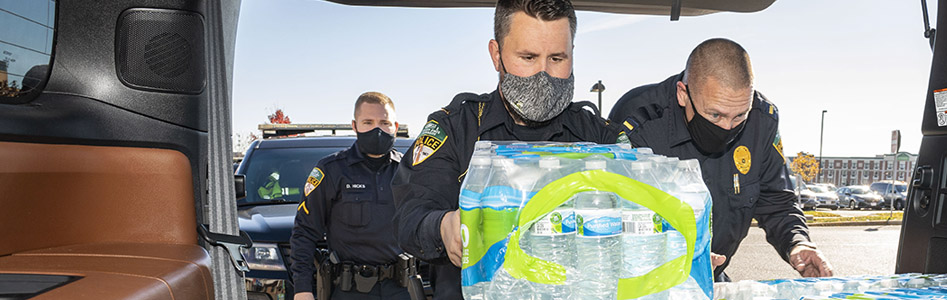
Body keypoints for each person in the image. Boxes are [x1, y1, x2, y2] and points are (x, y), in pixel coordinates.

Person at [391, 0, 613, 299]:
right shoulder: (456, 128)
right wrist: (444, 226)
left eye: (557, 58)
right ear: (497, 56)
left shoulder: (598, 136)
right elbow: (410, 215)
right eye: (528, 57)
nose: (543, 73)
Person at [608, 38, 835, 279]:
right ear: (683, 94)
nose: (727, 127)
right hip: (645, 282)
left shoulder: (762, 120)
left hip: (714, 278)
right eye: (715, 115)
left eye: (739, 117)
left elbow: (776, 199)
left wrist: (797, 242)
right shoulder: (637, 120)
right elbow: (608, 214)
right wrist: (682, 256)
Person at [290, 92, 412, 300]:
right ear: (354, 126)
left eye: (384, 123)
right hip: (349, 290)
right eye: (368, 122)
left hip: (401, 289)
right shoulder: (331, 170)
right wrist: (303, 289)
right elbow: (305, 232)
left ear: (396, 127)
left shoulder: (409, 171)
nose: (377, 129)